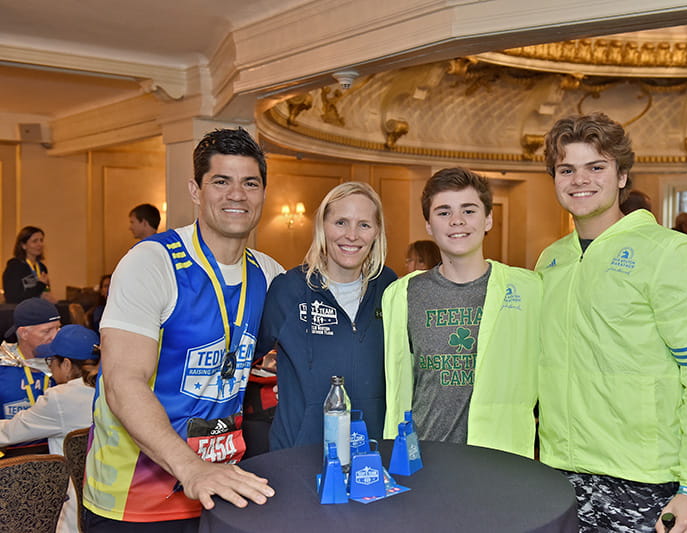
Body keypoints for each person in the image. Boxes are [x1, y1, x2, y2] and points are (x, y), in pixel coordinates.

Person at [535, 113, 687, 533]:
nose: (579, 180)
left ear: (622, 175)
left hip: (645, 480)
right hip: (560, 471)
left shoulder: (669, 252)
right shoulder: (551, 260)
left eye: (596, 167)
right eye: (566, 169)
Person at [84, 128, 284, 531]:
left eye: (250, 183)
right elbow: (123, 382)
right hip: (136, 500)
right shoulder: (152, 263)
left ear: (263, 193)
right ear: (195, 190)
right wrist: (192, 469)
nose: (237, 195)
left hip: (223, 488)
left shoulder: (269, 273)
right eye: (221, 181)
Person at [383, 168, 540, 458]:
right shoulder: (403, 294)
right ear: (428, 225)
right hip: (425, 456)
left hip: (502, 457)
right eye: (443, 212)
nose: (457, 221)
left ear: (488, 218)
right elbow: (398, 384)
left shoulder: (528, 289)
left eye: (469, 210)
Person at [257, 182, 396, 451]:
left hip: (374, 452)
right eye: (341, 222)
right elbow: (250, 356)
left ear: (377, 232)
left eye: (364, 225)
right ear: (323, 226)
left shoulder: (390, 287)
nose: (352, 235)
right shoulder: (288, 289)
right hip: (299, 452)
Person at [0, 324, 100, 533]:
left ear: (66, 364)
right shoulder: (109, 385)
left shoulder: (62, 398)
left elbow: (10, 432)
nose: (50, 368)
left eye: (51, 361)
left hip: (73, 512)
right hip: (105, 500)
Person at [0, 298, 61, 454]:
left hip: (57, 456)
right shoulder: (3, 367)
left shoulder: (66, 364)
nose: (55, 337)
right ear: (24, 333)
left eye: (58, 329)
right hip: (9, 460)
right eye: (47, 331)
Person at [3, 225, 57, 304]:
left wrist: (47, 296)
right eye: (35, 241)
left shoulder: (41, 267)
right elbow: (12, 297)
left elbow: (44, 291)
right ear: (23, 245)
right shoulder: (15, 266)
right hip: (19, 312)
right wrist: (40, 285)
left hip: (38, 309)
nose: (40, 244)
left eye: (41, 240)